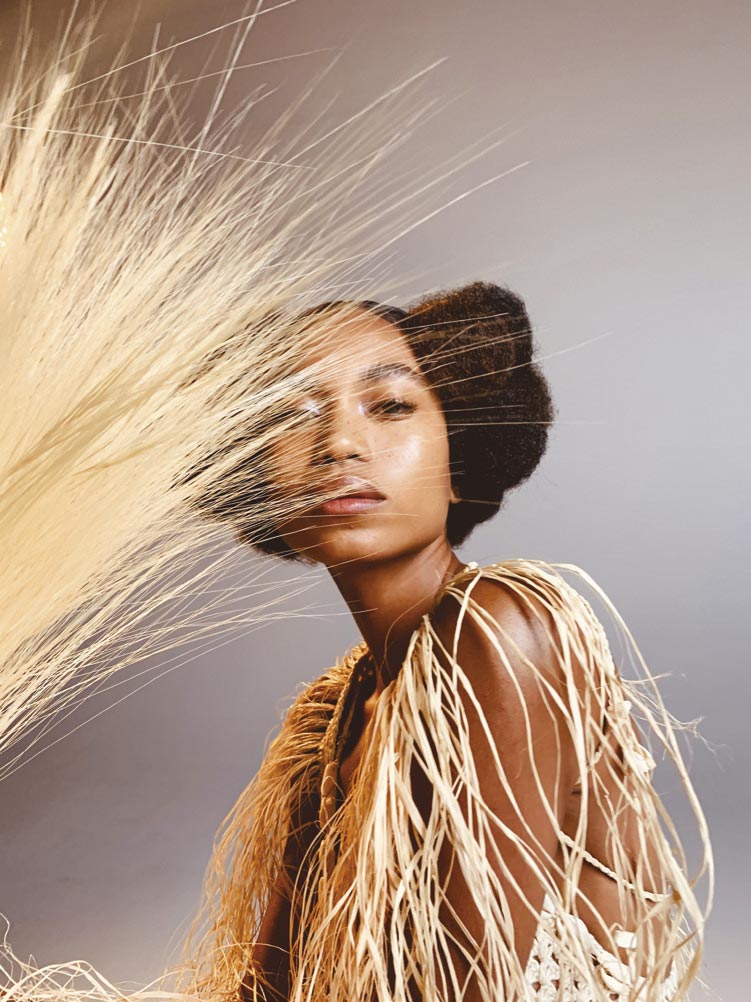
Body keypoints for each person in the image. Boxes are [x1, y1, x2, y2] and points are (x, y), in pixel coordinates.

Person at [182, 282, 710, 1002]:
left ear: (461, 459)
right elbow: (266, 988)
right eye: (291, 415)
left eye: (390, 406)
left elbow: (470, 986)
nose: (339, 443)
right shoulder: (334, 716)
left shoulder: (499, 628)